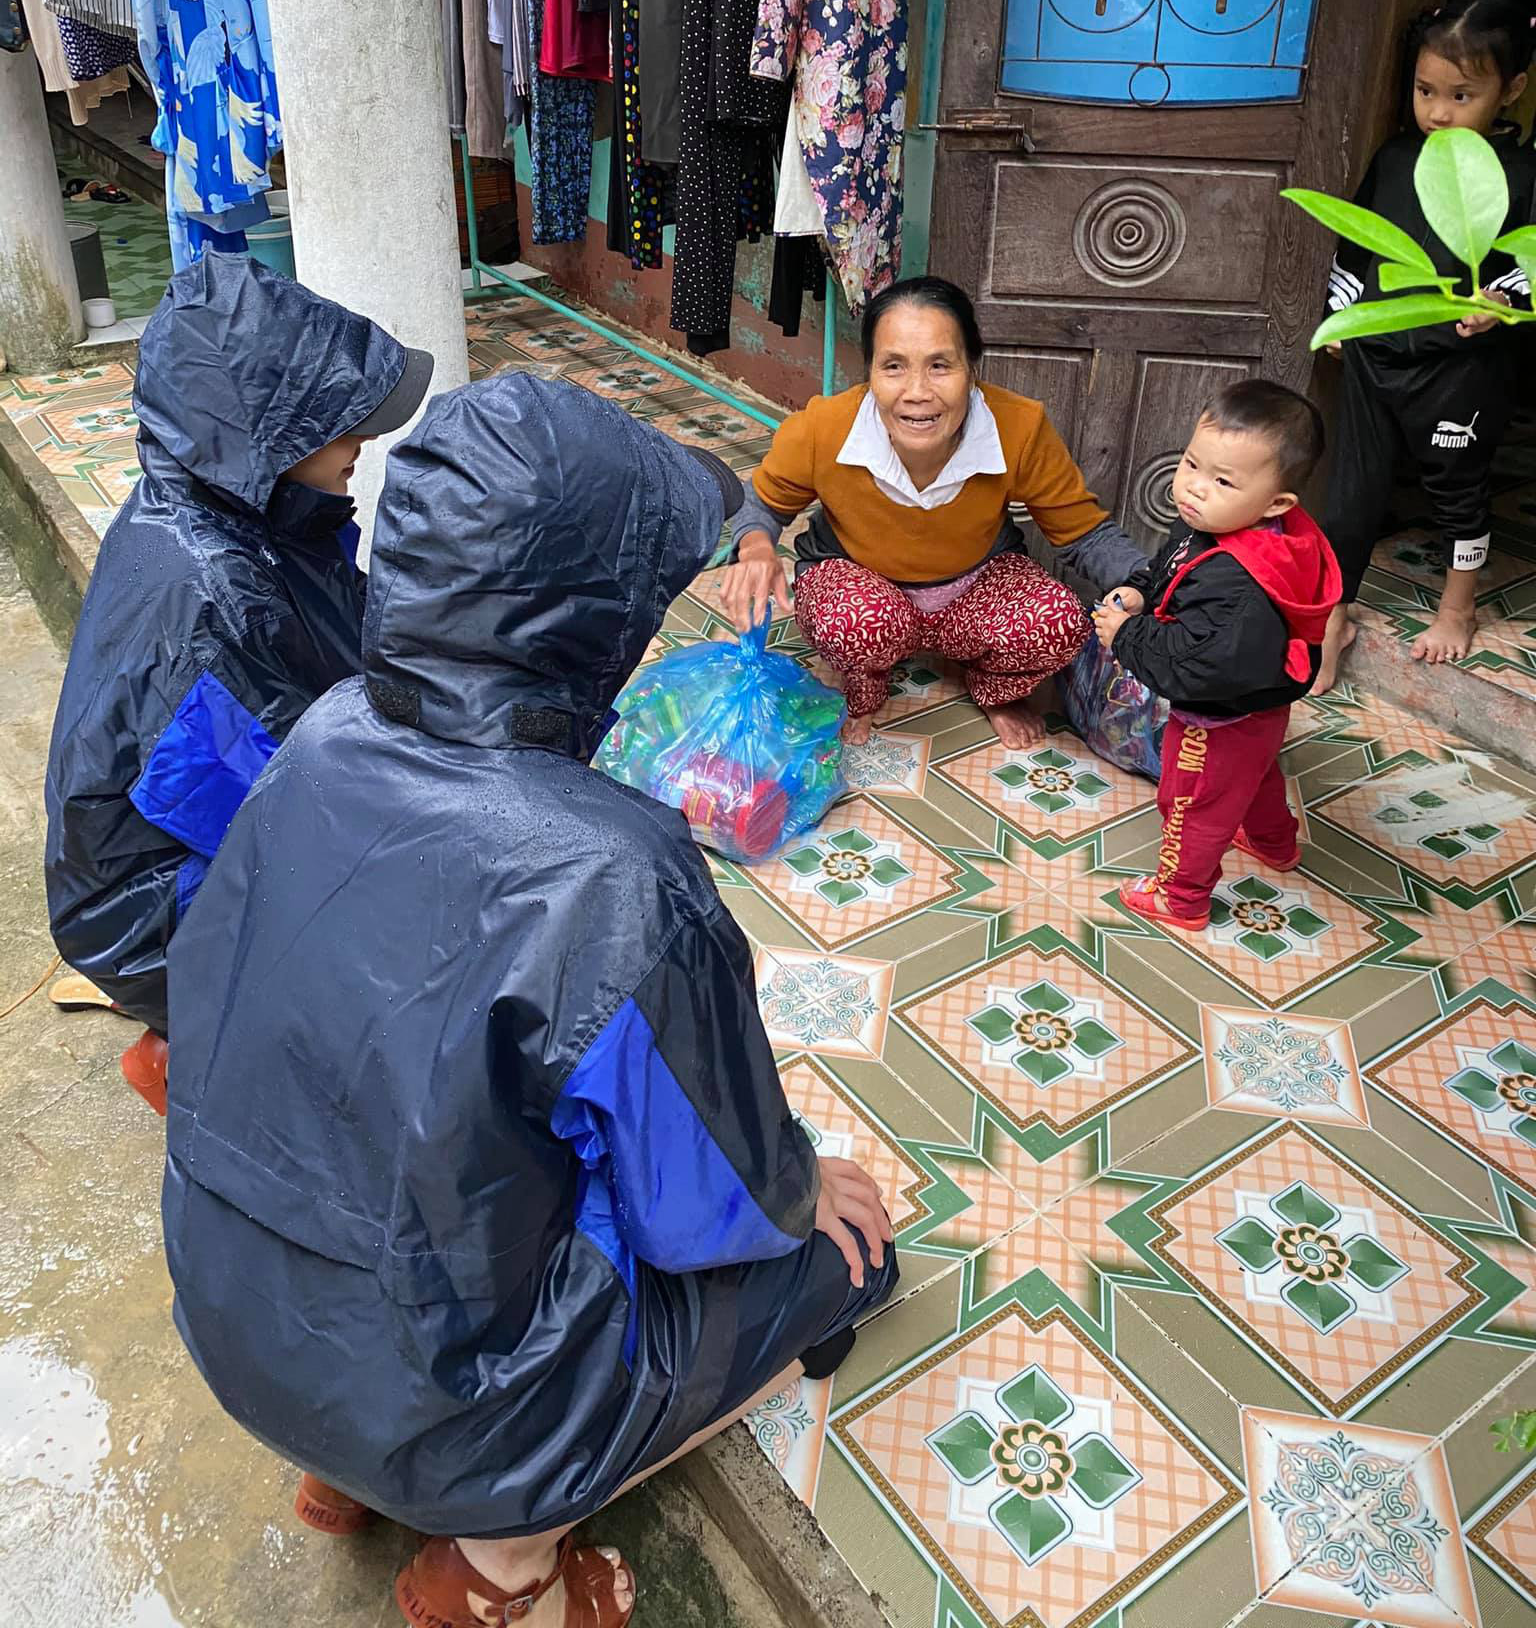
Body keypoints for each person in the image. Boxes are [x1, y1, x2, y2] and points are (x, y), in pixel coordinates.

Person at [162, 371, 899, 1628]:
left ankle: (346, 1468)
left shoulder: (327, 729)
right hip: (445, 1398)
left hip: (228, 1307)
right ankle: (507, 1570)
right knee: (851, 1258)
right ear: (585, 611)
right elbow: (702, 1205)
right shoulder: (615, 871)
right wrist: (800, 1181)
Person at [44, 257, 432, 1115]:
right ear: (266, 432)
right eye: (340, 423)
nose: (362, 443)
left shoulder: (236, 510)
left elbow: (347, 649)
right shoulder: (210, 596)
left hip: (173, 844)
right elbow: (283, 813)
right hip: (142, 912)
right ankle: (194, 1054)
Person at [721, 278, 1145, 746]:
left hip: (973, 585)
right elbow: (760, 501)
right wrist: (756, 547)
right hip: (863, 583)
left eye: (940, 365)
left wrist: (1156, 584)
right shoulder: (824, 428)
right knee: (851, 621)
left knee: (1060, 620)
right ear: (870, 373)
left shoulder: (1019, 427)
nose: (917, 392)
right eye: (894, 367)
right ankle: (866, 683)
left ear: (972, 368)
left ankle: (994, 689)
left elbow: (1083, 534)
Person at [1317, 0, 1536, 686]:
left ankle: (1458, 604)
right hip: (1377, 356)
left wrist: (1506, 304)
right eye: (1425, 91)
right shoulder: (1396, 156)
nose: (1439, 111)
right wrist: (1342, 316)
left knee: (1457, 487)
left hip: (1460, 367)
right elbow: (1359, 243)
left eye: (1462, 95)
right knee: (1351, 492)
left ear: (1513, 90)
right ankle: (1333, 615)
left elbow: (1526, 268)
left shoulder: (1523, 176)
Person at [1091, 380, 1341, 933]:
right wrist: (1140, 591)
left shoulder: (1239, 584)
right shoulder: (1222, 524)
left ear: (1278, 502)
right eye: (1192, 464)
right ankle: (1276, 843)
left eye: (1222, 480)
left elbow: (1195, 664)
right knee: (1252, 774)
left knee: (1193, 800)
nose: (1194, 489)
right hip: (1261, 702)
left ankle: (1182, 897)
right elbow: (1171, 571)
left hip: (1219, 713)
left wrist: (1125, 634)